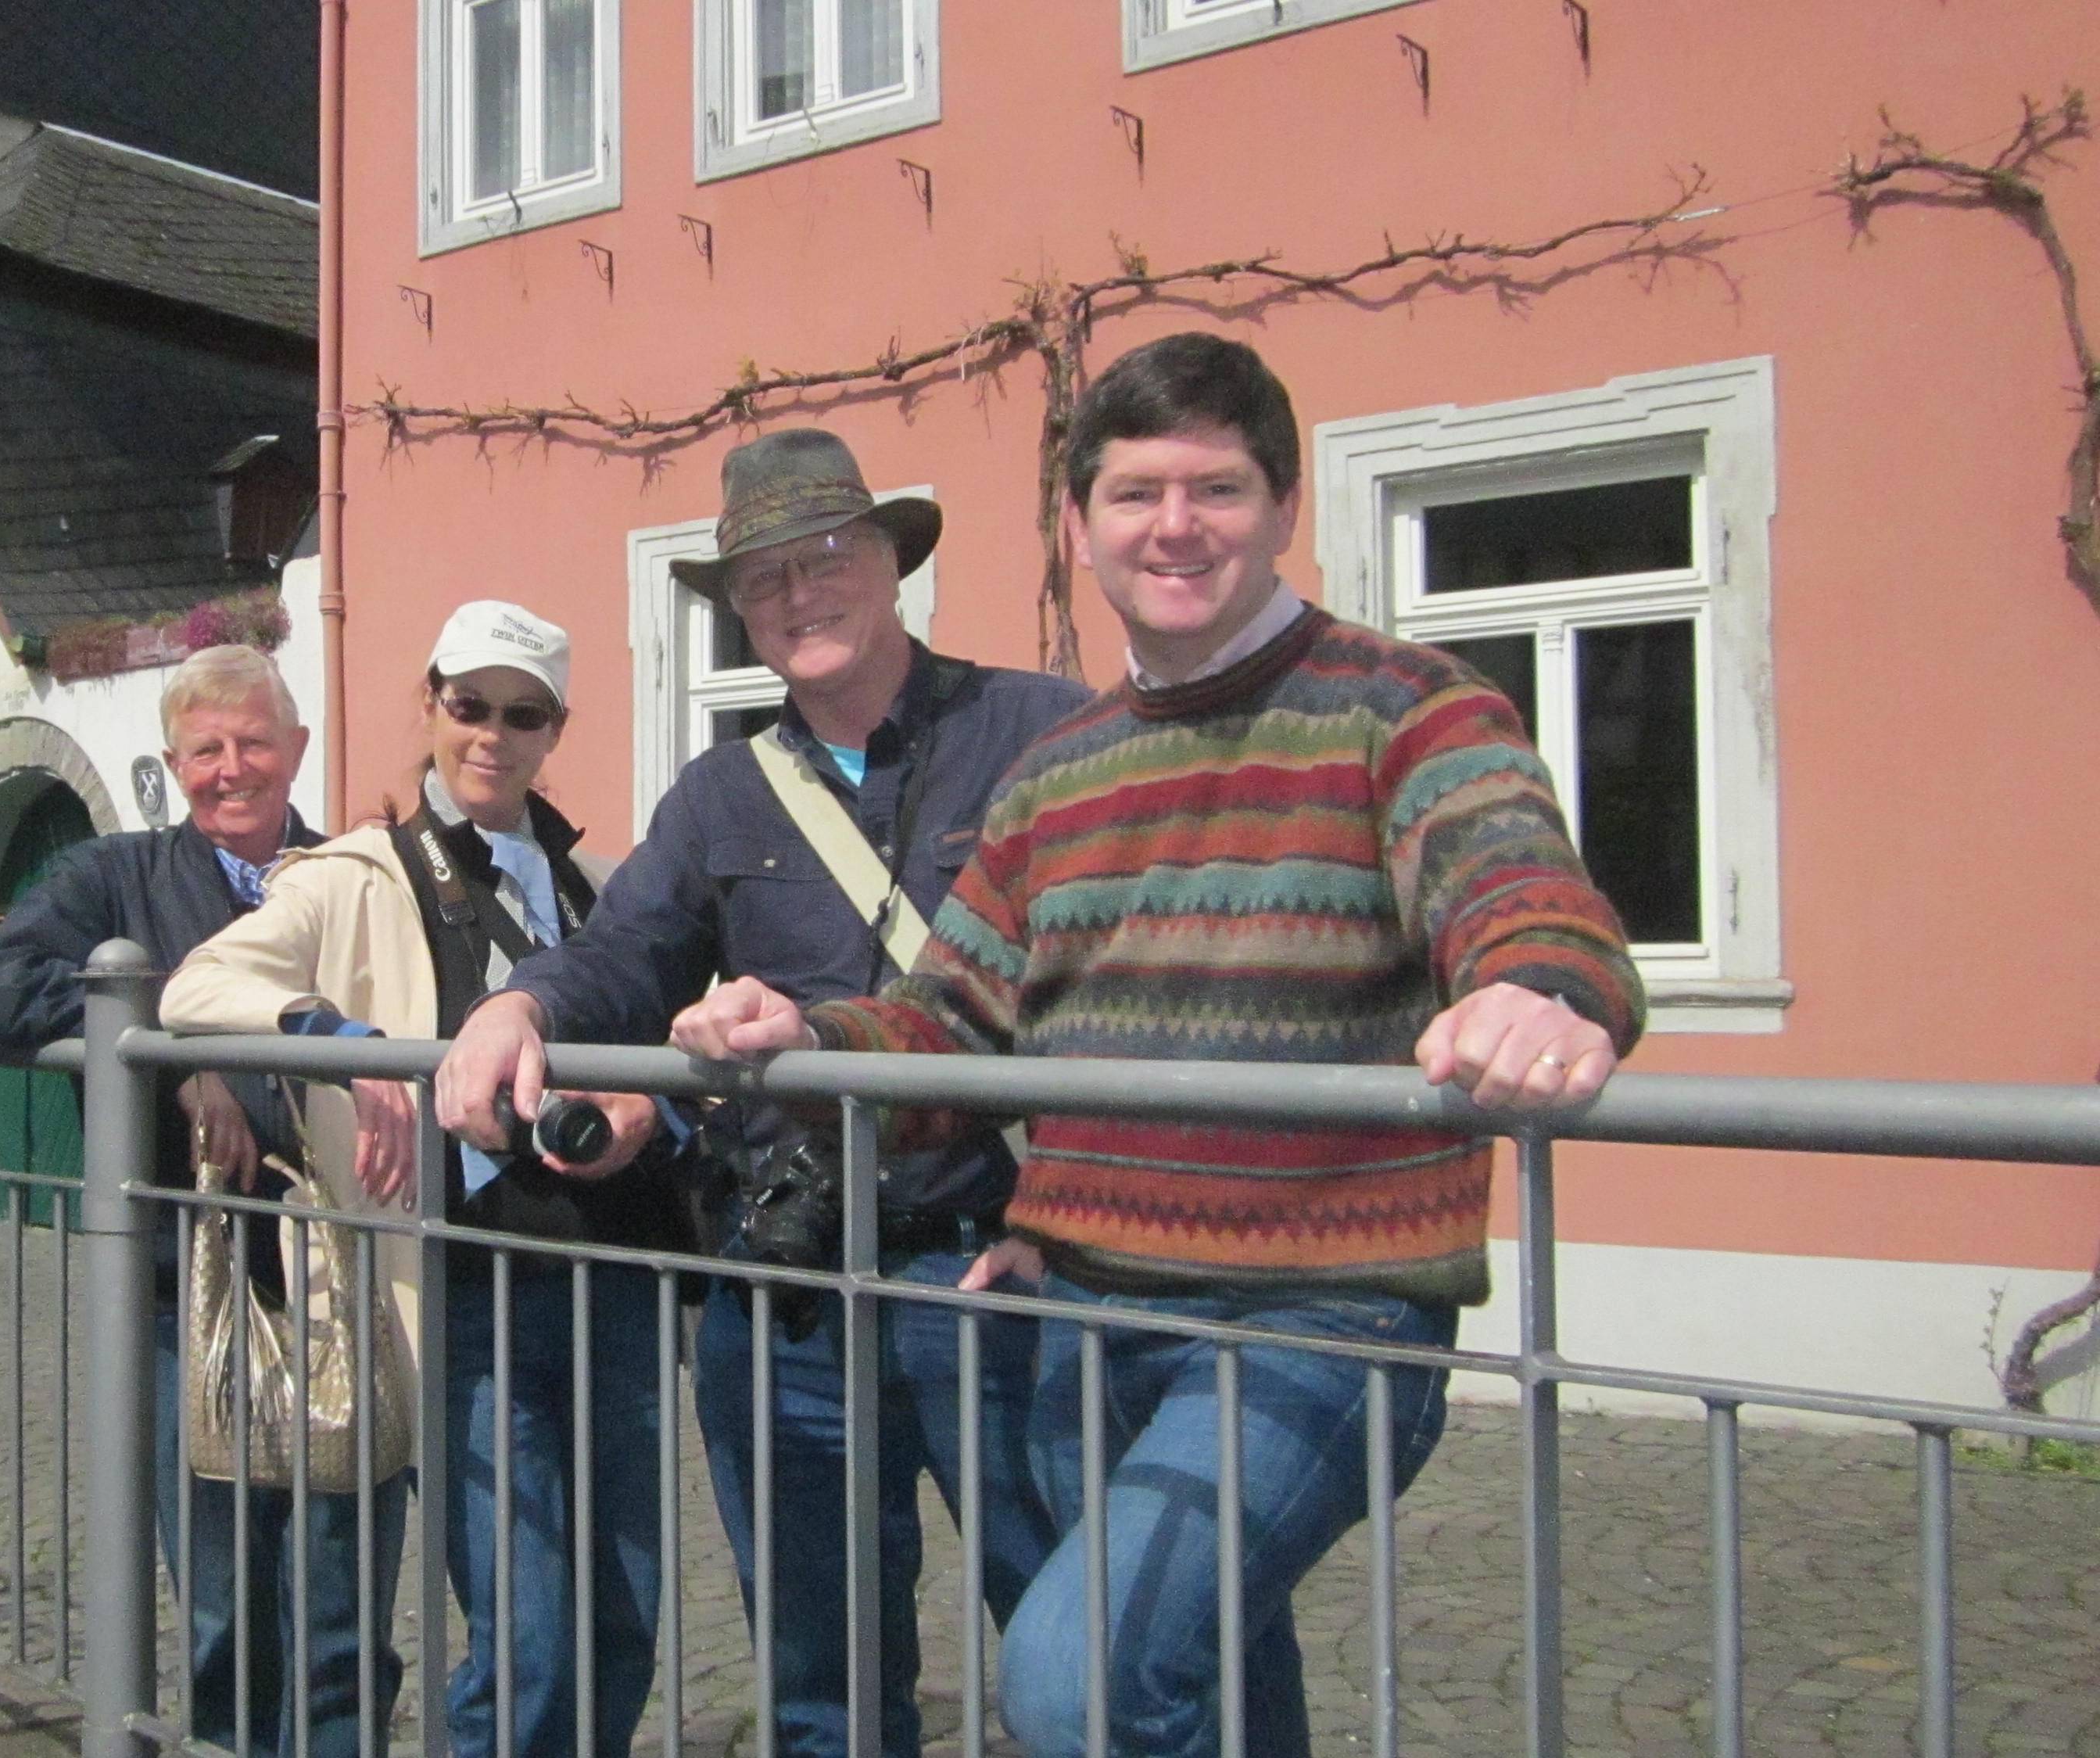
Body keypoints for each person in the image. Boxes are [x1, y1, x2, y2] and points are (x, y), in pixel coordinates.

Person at [668, 333, 1648, 1758]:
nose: (1174, 527)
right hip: (1082, 1316)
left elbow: (1510, 875)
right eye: (1134, 495)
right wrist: (803, 1034)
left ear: (1283, 506)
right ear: (1078, 527)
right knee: (1217, 1680)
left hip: (1321, 1320)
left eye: (1217, 489)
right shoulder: (1058, 774)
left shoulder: (1409, 706)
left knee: (1078, 1675)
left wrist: (1538, 986)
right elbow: (953, 1022)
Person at [434, 430, 1087, 1758]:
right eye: (764, 579)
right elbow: (626, 949)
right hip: (784, 1294)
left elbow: (1127, 980)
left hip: (999, 1273)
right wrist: (523, 1005)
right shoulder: (723, 793)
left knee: (1082, 1648)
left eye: (828, 557)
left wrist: (1075, 1205)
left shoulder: (1040, 729)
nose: (800, 594)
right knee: (817, 1676)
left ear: (892, 563)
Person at [164, 602, 686, 1758]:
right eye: (468, 707)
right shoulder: (359, 874)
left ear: (556, 728)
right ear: (432, 706)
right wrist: (342, 1040)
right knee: (526, 1627)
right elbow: (199, 986)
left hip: (614, 1284)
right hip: (467, 1296)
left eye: (522, 714)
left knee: (626, 1615)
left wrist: (650, 1108)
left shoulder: (595, 886)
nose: (491, 736)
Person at [0, 646, 400, 1758]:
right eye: (207, 750)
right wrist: (177, 1051)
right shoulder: (118, 874)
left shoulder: (353, 873)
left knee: (344, 1598)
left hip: (347, 1282)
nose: (232, 768)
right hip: (188, 1293)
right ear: (174, 764)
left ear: (298, 750)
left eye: (255, 742)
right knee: (220, 1595)